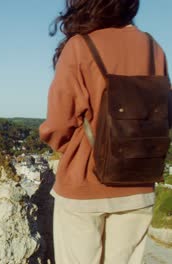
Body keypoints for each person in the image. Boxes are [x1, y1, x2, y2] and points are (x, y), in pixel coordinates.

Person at [39, 0, 170, 263]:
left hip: (84, 184)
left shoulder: (79, 47)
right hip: (137, 183)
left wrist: (78, 150)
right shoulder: (152, 47)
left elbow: (57, 124)